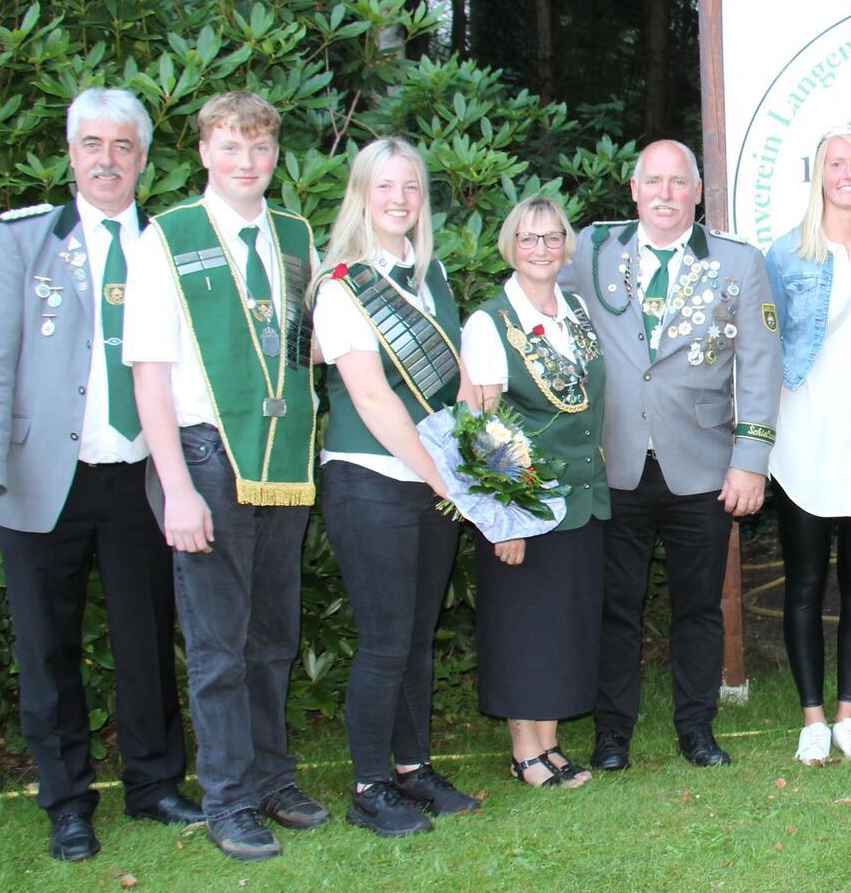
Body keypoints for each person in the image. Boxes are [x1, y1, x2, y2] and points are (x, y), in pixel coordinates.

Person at [0, 89, 202, 862]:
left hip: (141, 478)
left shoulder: (170, 243)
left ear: (142, 159)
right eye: (91, 143)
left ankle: (155, 783)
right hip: (40, 479)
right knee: (46, 648)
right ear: (70, 154)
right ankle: (66, 801)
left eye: (122, 146)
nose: (106, 159)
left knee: (145, 639)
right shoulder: (23, 242)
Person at [123, 91, 327, 862]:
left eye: (262, 149)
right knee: (217, 645)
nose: (249, 164)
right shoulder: (165, 238)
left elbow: (303, 345)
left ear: (277, 155)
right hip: (205, 456)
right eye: (232, 148)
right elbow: (149, 374)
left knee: (273, 635)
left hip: (281, 455)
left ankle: (272, 779)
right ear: (204, 152)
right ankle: (229, 800)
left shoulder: (294, 236)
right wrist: (173, 487)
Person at [561, 140, 782, 770]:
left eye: (677, 182)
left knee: (698, 608)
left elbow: (761, 364)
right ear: (633, 189)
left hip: (704, 466)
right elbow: (536, 305)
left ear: (697, 192)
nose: (664, 193)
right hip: (613, 462)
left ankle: (697, 729)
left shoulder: (738, 263)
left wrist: (751, 459)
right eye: (652, 181)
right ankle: (611, 734)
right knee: (615, 607)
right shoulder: (592, 250)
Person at [310, 138, 480, 835]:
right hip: (369, 479)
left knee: (416, 635)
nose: (399, 200)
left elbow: (456, 383)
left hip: (429, 481)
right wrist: (446, 476)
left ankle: (413, 768)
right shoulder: (344, 282)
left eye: (410, 187)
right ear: (361, 195)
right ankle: (368, 785)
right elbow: (374, 400)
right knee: (384, 640)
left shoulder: (429, 272)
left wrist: (482, 468)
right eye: (385, 188)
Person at [763, 124, 851, 766]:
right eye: (836, 164)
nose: (849, 174)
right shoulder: (785, 255)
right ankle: (812, 719)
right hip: (804, 438)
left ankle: (849, 717)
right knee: (803, 583)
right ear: (818, 174)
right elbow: (763, 350)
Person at [462, 195, 610, 789]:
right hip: (525, 506)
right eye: (528, 239)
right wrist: (507, 518)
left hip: (582, 500)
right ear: (510, 247)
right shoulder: (489, 322)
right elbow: (479, 426)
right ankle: (525, 751)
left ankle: (549, 745)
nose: (541, 249)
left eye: (551, 238)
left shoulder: (574, 309)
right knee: (524, 628)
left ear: (566, 246)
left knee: (560, 627)